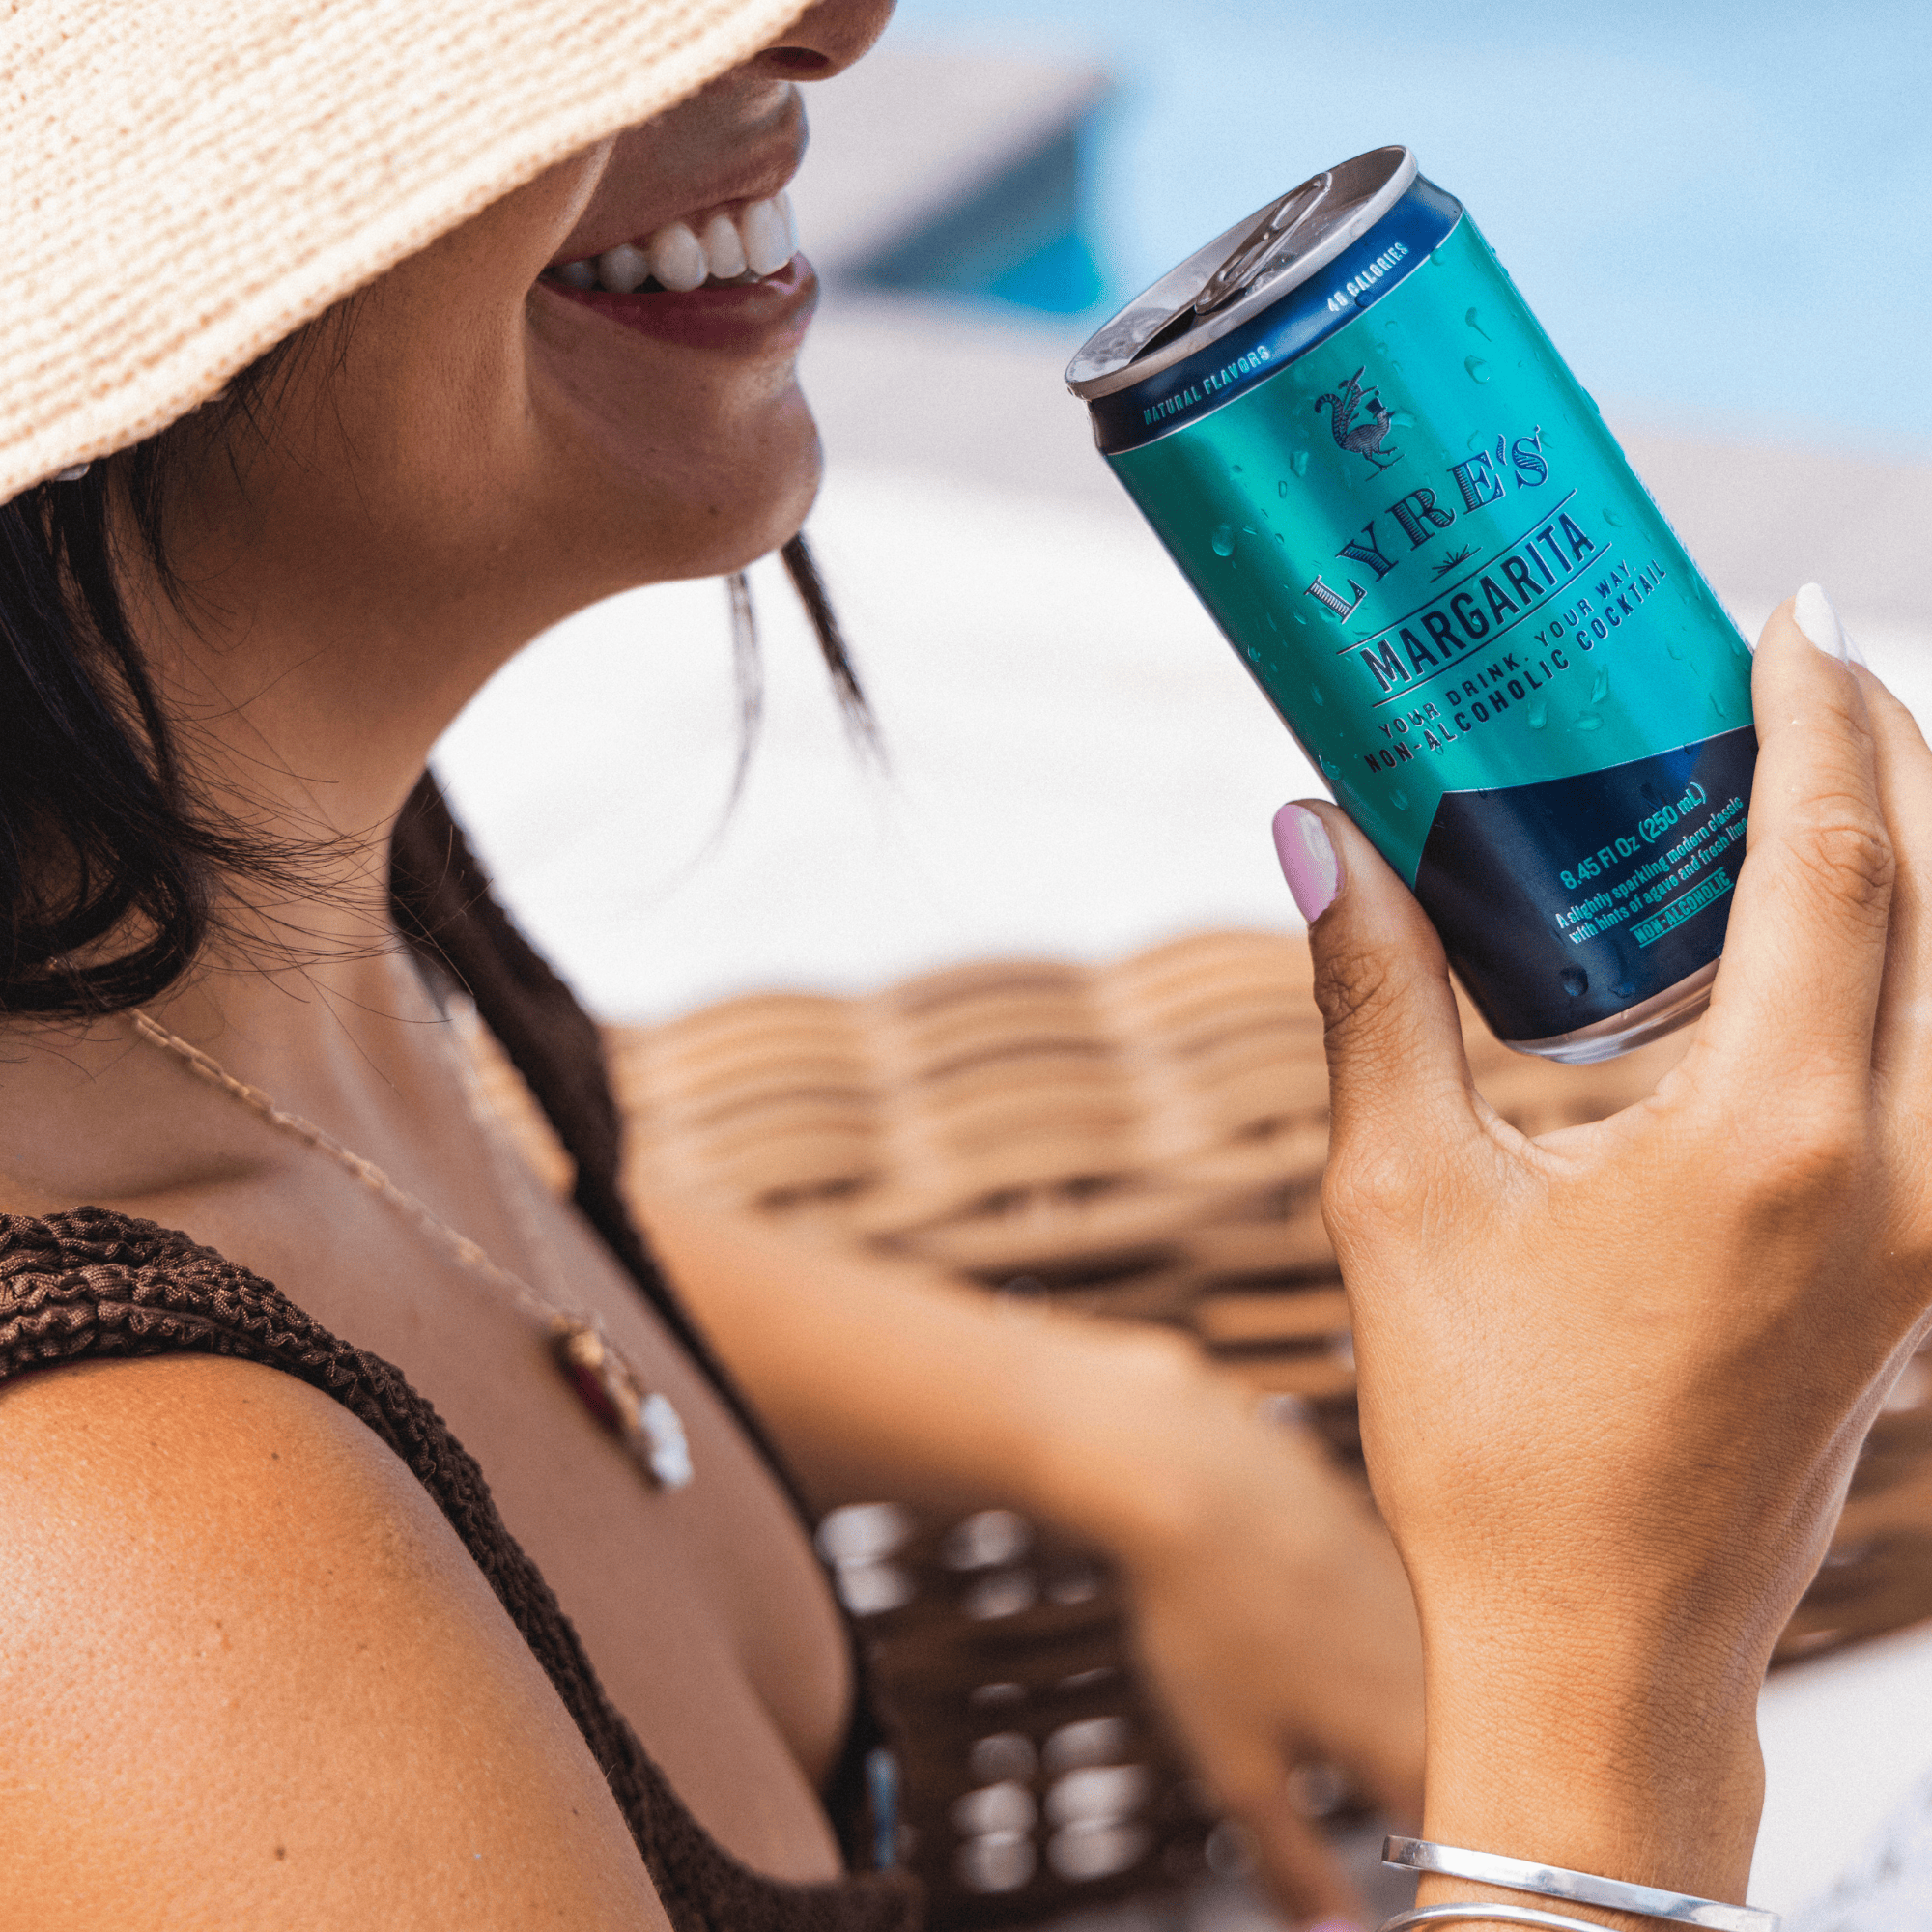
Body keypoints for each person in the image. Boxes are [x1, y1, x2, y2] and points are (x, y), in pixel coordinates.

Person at [0, 6, 1926, 1932]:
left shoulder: (266, 933)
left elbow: (423, 1243)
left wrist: (1108, 1426)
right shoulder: (120, 1572)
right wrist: (1611, 1664)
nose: (834, 27)